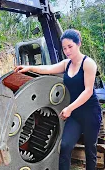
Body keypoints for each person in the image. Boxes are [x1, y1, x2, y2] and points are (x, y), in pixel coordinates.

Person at [15, 29, 102, 170]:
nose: (67, 51)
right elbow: (48, 68)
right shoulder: (66, 64)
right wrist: (28, 67)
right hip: (75, 115)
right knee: (65, 146)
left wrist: (69, 108)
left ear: (78, 44)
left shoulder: (88, 63)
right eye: (64, 48)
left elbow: (88, 91)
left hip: (90, 113)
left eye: (70, 47)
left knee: (90, 149)